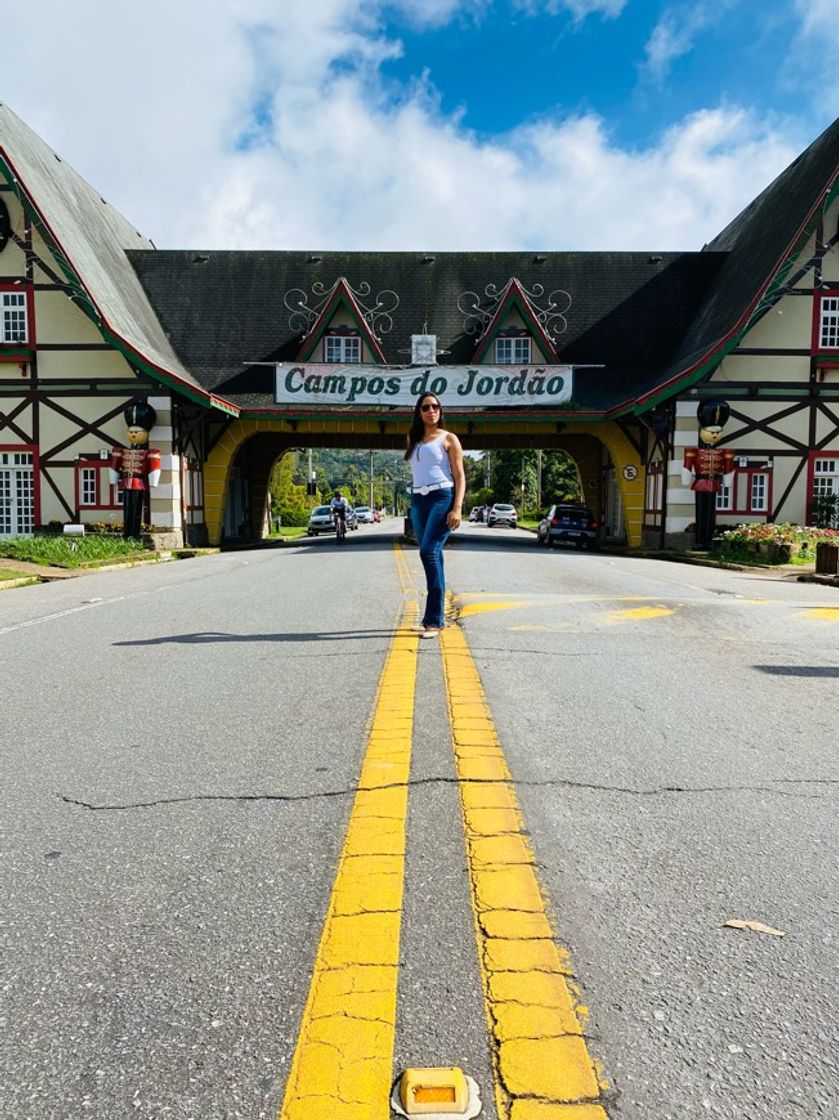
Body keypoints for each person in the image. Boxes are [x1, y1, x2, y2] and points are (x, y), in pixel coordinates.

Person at [404, 393, 465, 637]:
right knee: (433, 554)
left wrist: (457, 507)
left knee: (428, 551)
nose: (432, 410)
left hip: (442, 497)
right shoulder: (413, 440)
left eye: (436, 406)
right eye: (426, 407)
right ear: (419, 412)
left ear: (441, 410)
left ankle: (434, 620)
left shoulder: (449, 438)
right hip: (419, 499)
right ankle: (433, 617)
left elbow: (460, 476)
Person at [109, 401, 161, 539]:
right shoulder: (121, 451)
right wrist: (113, 479)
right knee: (127, 509)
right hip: (126, 482)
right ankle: (127, 534)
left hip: (138, 483)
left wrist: (153, 481)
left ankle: (135, 534)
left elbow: (154, 466)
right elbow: (115, 465)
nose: (133, 434)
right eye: (131, 432)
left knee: (137, 509)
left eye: (136, 432)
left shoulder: (148, 452)